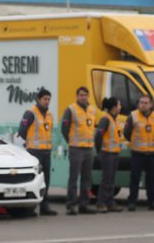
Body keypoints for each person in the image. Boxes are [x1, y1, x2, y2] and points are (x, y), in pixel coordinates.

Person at [17, 87, 57, 215]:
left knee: (46, 180)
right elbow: (22, 131)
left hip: (46, 152)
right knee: (34, 180)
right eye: (45, 99)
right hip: (34, 152)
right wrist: (29, 142)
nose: (47, 101)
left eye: (49, 99)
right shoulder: (30, 113)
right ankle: (31, 207)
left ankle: (45, 206)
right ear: (38, 99)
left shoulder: (50, 115)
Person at [123, 93, 154, 211]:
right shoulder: (133, 116)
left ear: (151, 105)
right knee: (135, 178)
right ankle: (132, 202)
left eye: (146, 103)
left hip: (152, 153)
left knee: (151, 179)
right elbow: (127, 132)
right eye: (141, 103)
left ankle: (152, 202)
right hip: (137, 152)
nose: (143, 105)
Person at [60, 86, 96, 215]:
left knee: (86, 179)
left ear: (88, 96)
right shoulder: (71, 109)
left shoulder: (92, 110)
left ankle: (84, 205)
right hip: (76, 148)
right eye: (81, 95)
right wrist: (71, 142)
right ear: (77, 96)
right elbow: (64, 128)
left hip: (88, 149)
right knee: (74, 178)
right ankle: (71, 205)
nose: (83, 97)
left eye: (85, 95)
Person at [94, 96, 123, 213]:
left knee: (111, 179)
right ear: (114, 107)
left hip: (114, 153)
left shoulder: (114, 119)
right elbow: (98, 135)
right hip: (107, 153)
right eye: (119, 105)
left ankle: (110, 202)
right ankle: (101, 203)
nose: (120, 107)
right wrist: (99, 151)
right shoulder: (106, 119)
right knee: (106, 179)